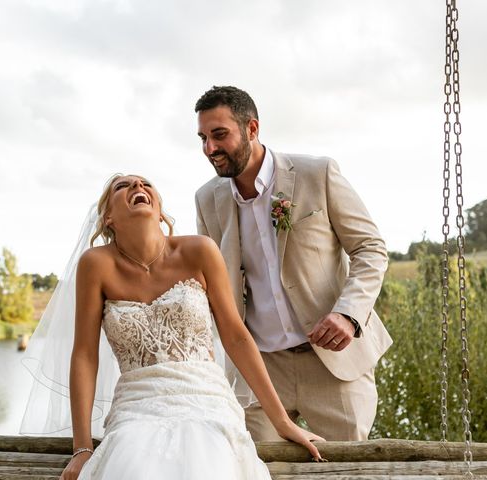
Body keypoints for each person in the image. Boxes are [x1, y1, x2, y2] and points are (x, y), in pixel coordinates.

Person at [40, 174, 324, 480]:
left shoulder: (200, 250)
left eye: (146, 184)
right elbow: (84, 355)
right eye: (123, 187)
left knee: (210, 457)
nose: (138, 187)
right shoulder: (95, 265)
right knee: (132, 463)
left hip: (206, 399)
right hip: (137, 406)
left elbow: (236, 337)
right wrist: (82, 447)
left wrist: (281, 421)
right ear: (108, 217)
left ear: (160, 209)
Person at [194, 85, 392, 442]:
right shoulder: (207, 199)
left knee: (344, 470)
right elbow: (212, 288)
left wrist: (348, 314)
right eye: (203, 138)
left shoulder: (318, 173)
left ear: (252, 129)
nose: (210, 149)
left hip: (333, 362)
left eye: (219, 135)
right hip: (260, 370)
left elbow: (370, 248)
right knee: (252, 469)